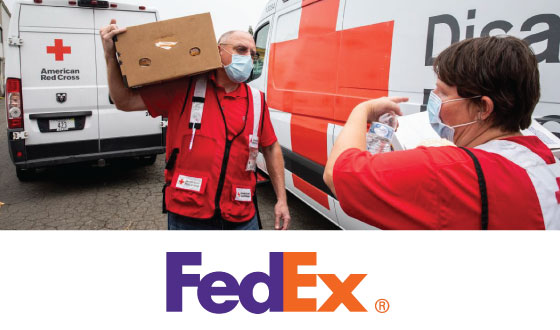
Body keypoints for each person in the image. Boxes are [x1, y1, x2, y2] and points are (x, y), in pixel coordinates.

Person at [323, 36, 560, 229]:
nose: (435, 101)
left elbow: (337, 175)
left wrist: (361, 109)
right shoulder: (546, 160)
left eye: (444, 94)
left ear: (483, 108)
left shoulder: (450, 170)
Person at [100, 20, 290, 230]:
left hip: (241, 214)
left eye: (252, 54)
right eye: (240, 50)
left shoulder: (256, 100)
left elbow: (271, 147)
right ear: (218, 51)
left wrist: (281, 199)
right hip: (188, 214)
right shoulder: (184, 88)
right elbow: (124, 101)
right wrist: (110, 57)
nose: (248, 58)